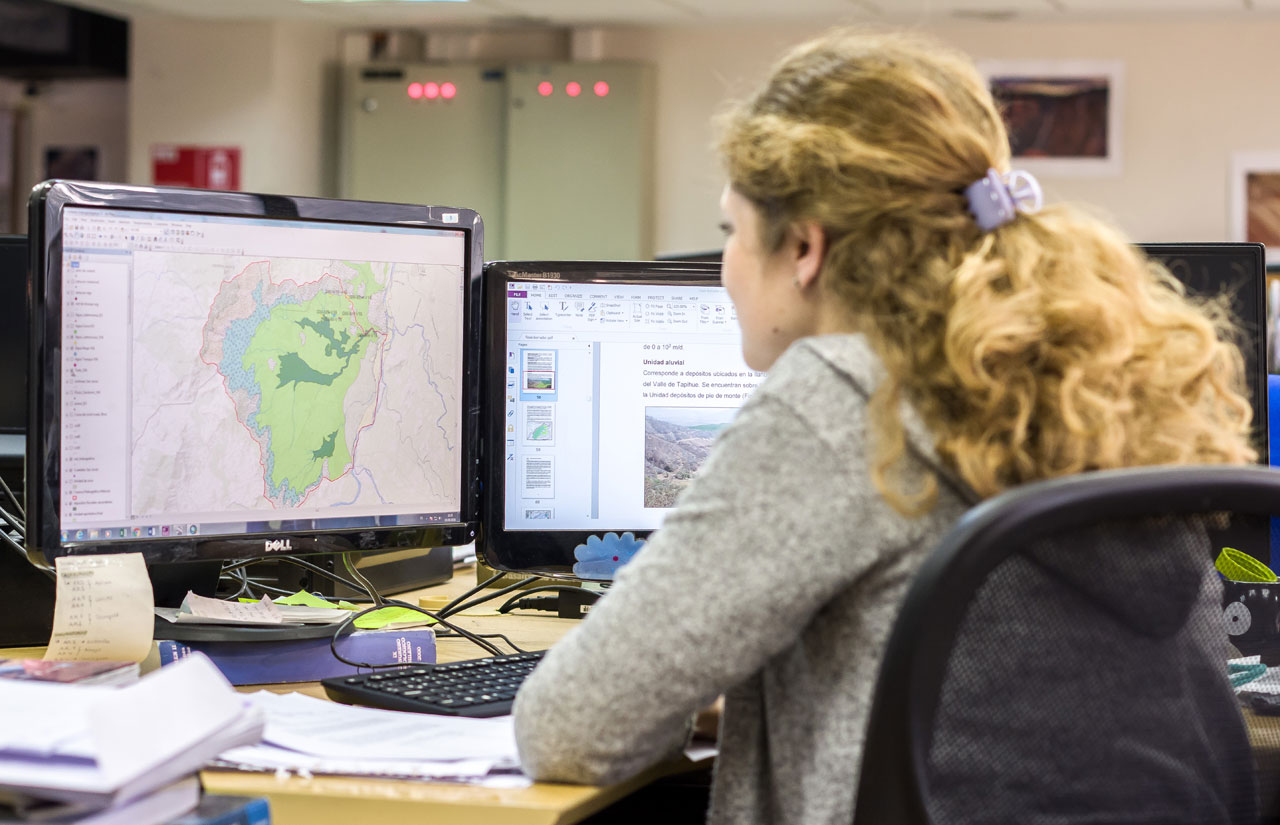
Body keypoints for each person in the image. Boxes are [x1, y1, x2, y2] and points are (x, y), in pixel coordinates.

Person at [512, 28, 1256, 825]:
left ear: (804, 246)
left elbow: (569, 729)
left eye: (732, 230)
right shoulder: (1095, 386)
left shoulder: (844, 396)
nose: (726, 259)